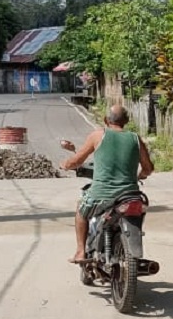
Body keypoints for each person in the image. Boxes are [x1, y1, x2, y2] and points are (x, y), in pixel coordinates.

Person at [60, 105, 153, 264]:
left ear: (105, 120)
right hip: (130, 195)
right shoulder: (135, 138)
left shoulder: (98, 135)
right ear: (126, 121)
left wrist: (65, 164)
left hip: (101, 195)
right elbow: (148, 168)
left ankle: (81, 252)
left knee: (80, 209)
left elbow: (77, 161)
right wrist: (139, 176)